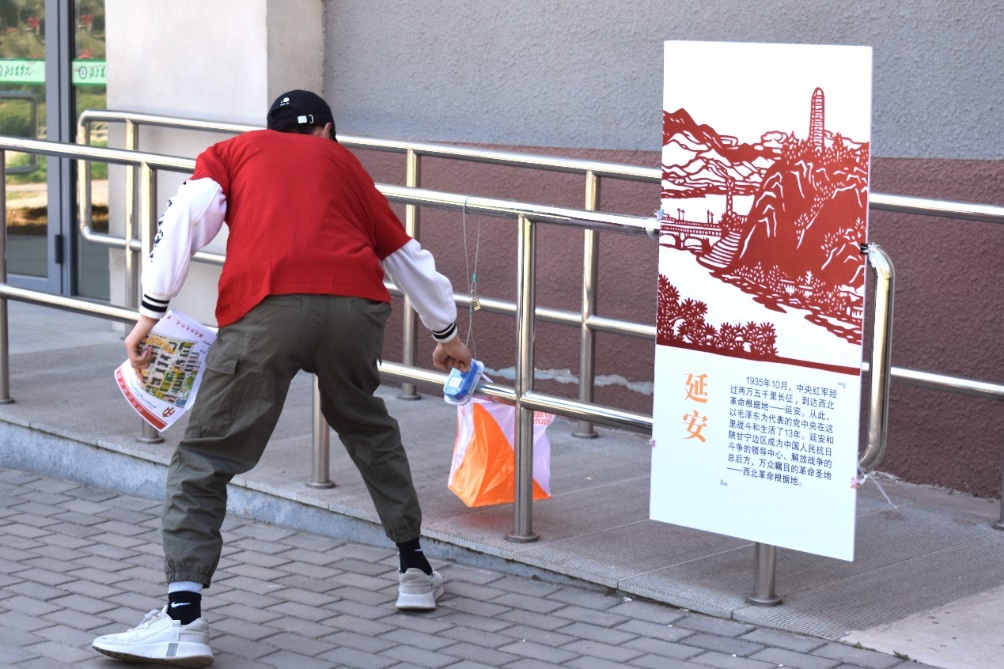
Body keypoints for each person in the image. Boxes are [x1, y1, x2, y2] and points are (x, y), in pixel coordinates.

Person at [91, 90, 472, 667]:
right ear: (326, 131)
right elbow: (406, 254)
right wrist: (447, 334)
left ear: (272, 128)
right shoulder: (346, 165)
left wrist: (151, 309)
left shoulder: (233, 153)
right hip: (354, 309)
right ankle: (415, 570)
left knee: (206, 456)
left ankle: (182, 619)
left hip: (266, 303)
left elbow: (186, 215)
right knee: (367, 429)